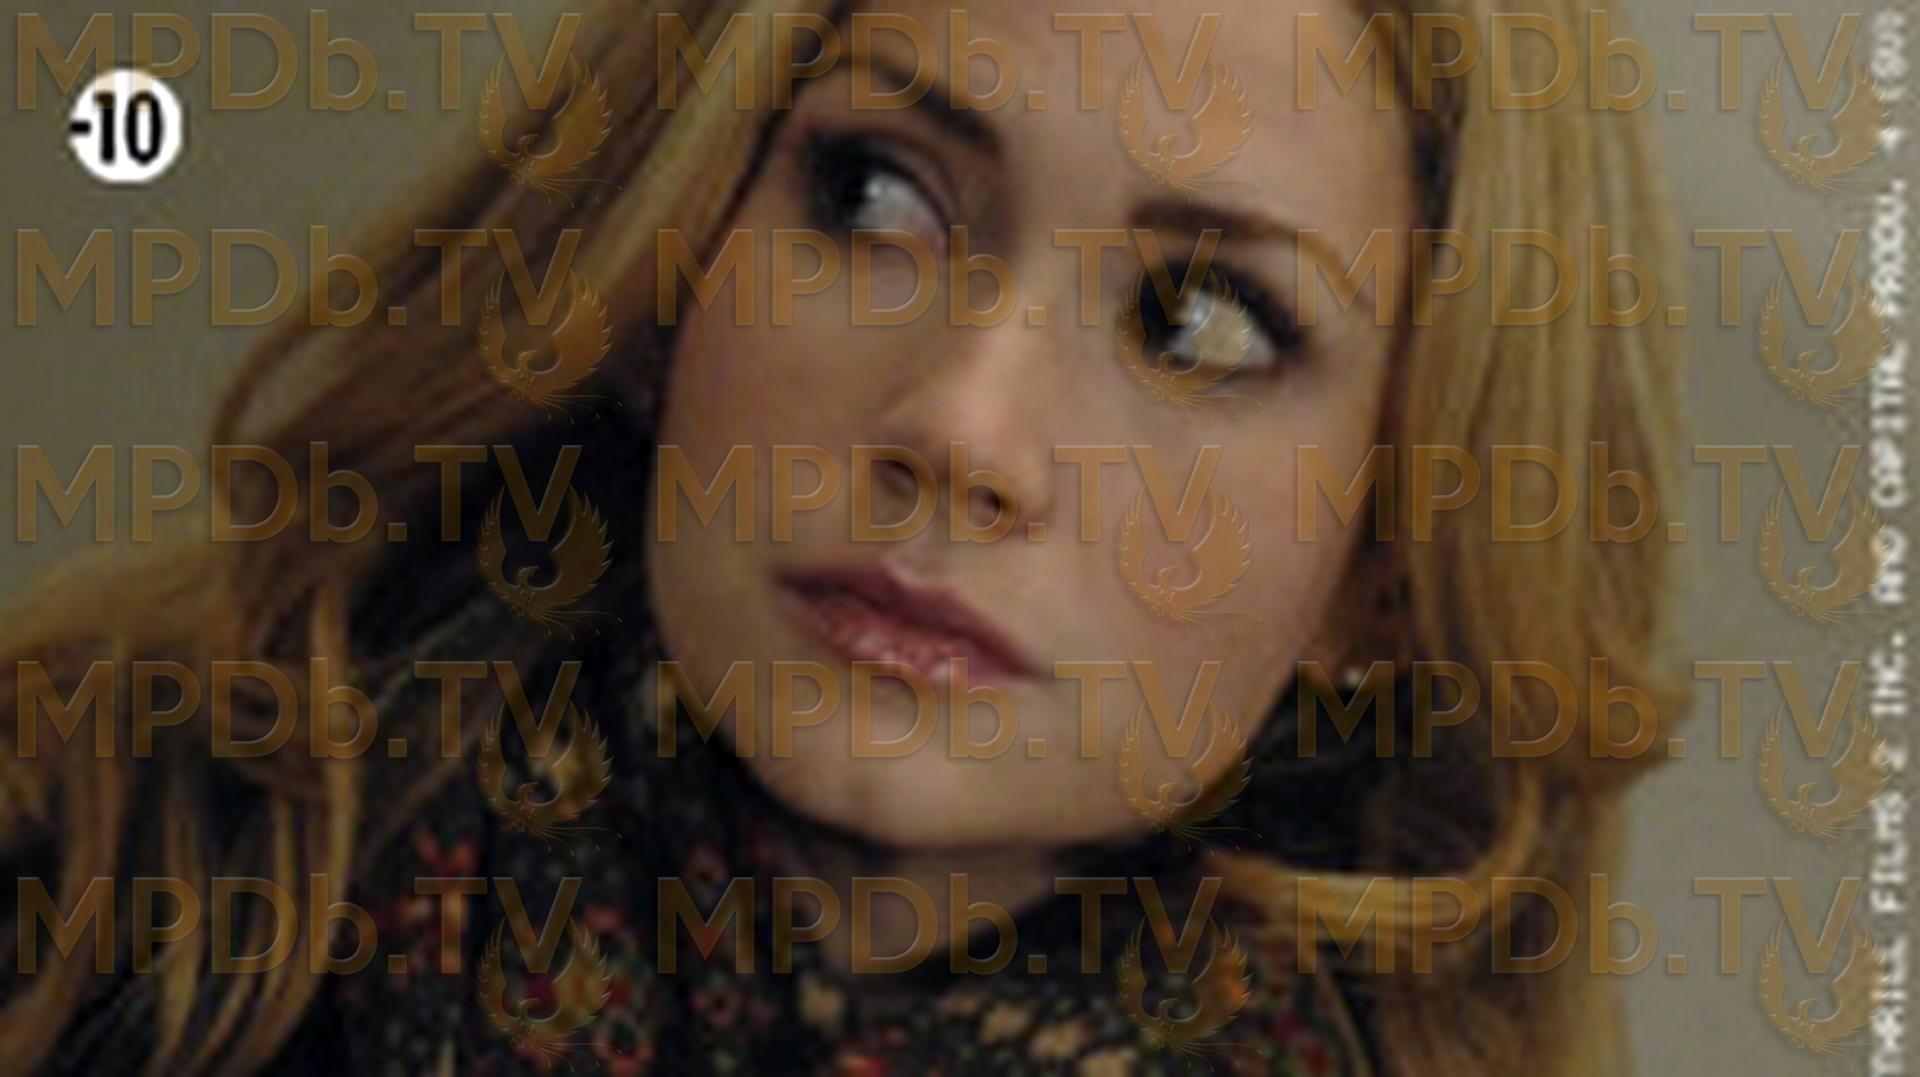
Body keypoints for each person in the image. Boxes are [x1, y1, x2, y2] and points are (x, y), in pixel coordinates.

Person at [1, 0, 1684, 1072]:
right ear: (673, 255)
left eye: (1198, 321)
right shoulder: (72, 866)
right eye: (878, 195)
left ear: (1388, 568)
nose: (961, 429)